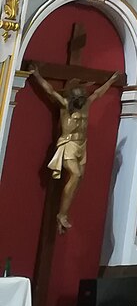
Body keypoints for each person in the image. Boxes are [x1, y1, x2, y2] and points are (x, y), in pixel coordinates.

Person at [30, 67, 120, 232]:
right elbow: (49, 91)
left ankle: (64, 213)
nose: (82, 100)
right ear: (73, 99)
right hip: (68, 144)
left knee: (78, 179)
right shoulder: (65, 106)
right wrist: (36, 75)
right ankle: (61, 215)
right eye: (79, 98)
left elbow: (98, 93)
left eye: (83, 98)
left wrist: (111, 81)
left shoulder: (86, 105)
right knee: (76, 174)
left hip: (82, 146)